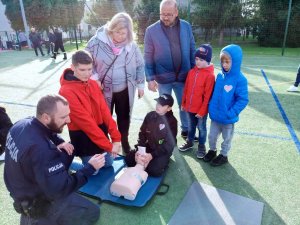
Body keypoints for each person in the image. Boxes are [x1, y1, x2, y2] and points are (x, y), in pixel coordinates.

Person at [4, 94, 104, 225]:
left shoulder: (22, 124)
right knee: (92, 212)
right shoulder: (42, 151)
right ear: (46, 117)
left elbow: (48, 133)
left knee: (65, 154)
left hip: (24, 192)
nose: (68, 120)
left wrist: (59, 141)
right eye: (63, 117)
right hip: (41, 202)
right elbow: (60, 190)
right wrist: (89, 168)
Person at [86, 12, 145, 154]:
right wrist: (94, 79)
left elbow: (140, 65)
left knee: (124, 118)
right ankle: (105, 144)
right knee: (103, 118)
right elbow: (86, 60)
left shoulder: (132, 45)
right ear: (111, 29)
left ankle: (124, 142)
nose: (120, 36)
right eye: (117, 32)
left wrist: (141, 84)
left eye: (124, 33)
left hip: (124, 90)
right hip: (102, 89)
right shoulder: (96, 41)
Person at [59, 50, 121, 173]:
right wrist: (109, 146)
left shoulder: (93, 84)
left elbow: (105, 112)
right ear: (73, 68)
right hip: (82, 134)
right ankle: (63, 162)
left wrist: (116, 138)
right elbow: (86, 123)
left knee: (108, 163)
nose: (87, 74)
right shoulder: (65, 91)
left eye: (89, 69)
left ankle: (74, 151)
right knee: (93, 170)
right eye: (82, 70)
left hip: (99, 130)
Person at [144, 0, 195, 139]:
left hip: (184, 77)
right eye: (163, 14)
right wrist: (149, 78)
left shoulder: (186, 26)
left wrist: (194, 72)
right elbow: (147, 56)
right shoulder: (151, 30)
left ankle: (186, 130)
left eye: (169, 14)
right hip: (163, 79)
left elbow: (192, 49)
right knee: (163, 108)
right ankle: (164, 133)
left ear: (176, 12)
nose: (165, 17)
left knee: (184, 106)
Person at [204, 44, 249, 166]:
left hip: (228, 119)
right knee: (212, 136)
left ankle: (223, 155)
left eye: (227, 61)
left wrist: (231, 113)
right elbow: (214, 93)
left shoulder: (240, 79)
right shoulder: (219, 76)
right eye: (222, 61)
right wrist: (210, 107)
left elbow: (243, 100)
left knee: (226, 139)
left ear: (235, 61)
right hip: (215, 116)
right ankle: (212, 151)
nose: (224, 64)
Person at [125, 94, 177, 177]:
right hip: (149, 146)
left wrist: (152, 155)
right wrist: (140, 150)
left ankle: (165, 161)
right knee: (129, 160)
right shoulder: (150, 115)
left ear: (169, 108)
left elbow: (169, 145)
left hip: (161, 150)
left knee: (154, 171)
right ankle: (147, 159)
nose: (158, 106)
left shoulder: (172, 122)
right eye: (158, 103)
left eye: (162, 105)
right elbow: (142, 133)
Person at [179, 44, 215, 159]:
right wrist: (183, 103)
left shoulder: (210, 76)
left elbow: (207, 96)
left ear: (208, 60)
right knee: (191, 127)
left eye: (202, 60)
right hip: (189, 108)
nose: (198, 62)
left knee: (202, 128)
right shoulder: (191, 72)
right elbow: (186, 89)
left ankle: (201, 146)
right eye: (196, 59)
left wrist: (202, 111)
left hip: (200, 111)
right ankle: (190, 142)